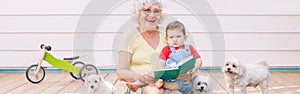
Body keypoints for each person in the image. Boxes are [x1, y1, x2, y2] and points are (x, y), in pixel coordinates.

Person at [126, 21, 203, 94]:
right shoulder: (166, 50)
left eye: (178, 36)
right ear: (167, 39)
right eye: (171, 37)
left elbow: (198, 59)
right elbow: (161, 64)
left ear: (185, 37)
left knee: (174, 86)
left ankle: (161, 84)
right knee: (151, 74)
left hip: (183, 80)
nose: (175, 39)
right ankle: (138, 84)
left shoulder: (189, 48)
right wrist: (160, 73)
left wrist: (194, 69)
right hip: (169, 78)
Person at [117, 0, 167, 93]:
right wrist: (140, 76)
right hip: (139, 85)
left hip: (166, 83)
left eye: (156, 11)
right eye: (147, 10)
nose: (152, 15)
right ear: (137, 13)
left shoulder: (168, 34)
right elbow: (121, 72)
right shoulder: (129, 36)